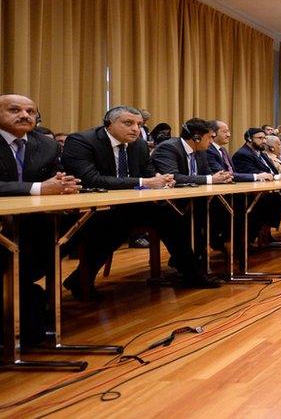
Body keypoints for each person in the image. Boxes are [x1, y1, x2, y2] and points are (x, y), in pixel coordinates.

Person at [62, 106, 220, 293]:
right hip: (92, 207)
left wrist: (162, 180)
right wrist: (145, 182)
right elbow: (90, 179)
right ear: (109, 124)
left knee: (173, 215)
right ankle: (80, 279)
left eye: (139, 124)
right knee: (113, 225)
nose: (136, 129)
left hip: (130, 206)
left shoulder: (138, 145)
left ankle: (192, 274)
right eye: (128, 123)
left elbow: (149, 173)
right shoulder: (82, 141)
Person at [0, 94, 80, 343]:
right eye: (14, 109)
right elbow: (39, 186)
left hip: (32, 222)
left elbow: (53, 178)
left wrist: (64, 185)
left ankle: (33, 314)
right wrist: (38, 188)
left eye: (30, 111)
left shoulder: (46, 145)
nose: (24, 115)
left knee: (82, 230)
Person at [232, 128, 281, 242]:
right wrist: (274, 176)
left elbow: (273, 172)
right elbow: (252, 172)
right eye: (260, 138)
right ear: (249, 139)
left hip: (264, 189)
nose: (264, 141)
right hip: (249, 193)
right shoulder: (242, 154)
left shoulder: (261, 154)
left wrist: (275, 176)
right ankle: (253, 237)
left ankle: (265, 234)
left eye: (265, 138)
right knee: (274, 200)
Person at [152, 118, 234, 186]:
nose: (211, 141)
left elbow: (207, 174)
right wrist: (210, 179)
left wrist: (221, 177)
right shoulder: (168, 148)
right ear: (197, 138)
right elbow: (173, 177)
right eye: (209, 137)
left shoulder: (200, 151)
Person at [207, 120, 273, 183]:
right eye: (225, 132)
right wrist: (256, 176)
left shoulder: (223, 150)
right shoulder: (209, 150)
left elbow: (233, 172)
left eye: (228, 132)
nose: (228, 135)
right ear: (213, 133)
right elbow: (223, 174)